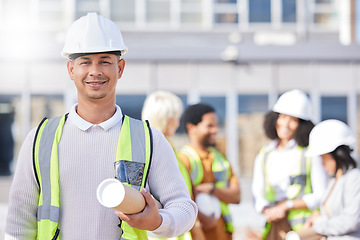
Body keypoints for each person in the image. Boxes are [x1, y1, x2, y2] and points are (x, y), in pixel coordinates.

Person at [5, 13, 197, 240]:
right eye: (85, 62)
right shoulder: (40, 139)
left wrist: (158, 221)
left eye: (105, 61)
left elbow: (184, 209)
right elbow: (18, 225)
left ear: (120, 68)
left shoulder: (149, 139)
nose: (95, 71)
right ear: (71, 70)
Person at [251, 89, 328, 240]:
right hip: (274, 226)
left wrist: (287, 205)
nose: (286, 124)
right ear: (275, 119)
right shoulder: (265, 154)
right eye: (283, 117)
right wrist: (267, 210)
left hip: (304, 229)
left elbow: (321, 194)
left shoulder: (310, 153)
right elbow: (257, 194)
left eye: (293, 120)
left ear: (302, 125)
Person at [286, 119, 360, 240]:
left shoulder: (354, 178)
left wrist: (318, 223)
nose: (322, 164)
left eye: (324, 158)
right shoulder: (334, 181)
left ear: (338, 155)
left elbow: (351, 221)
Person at [177, 103, 241, 240]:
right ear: (191, 128)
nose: (215, 130)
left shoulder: (220, 158)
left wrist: (212, 190)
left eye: (216, 125)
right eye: (209, 126)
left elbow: (236, 196)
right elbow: (181, 204)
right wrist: (204, 218)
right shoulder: (183, 160)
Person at [141, 90, 194, 240]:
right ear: (168, 119)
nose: (178, 122)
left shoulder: (163, 148)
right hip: (161, 233)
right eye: (176, 117)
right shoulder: (157, 150)